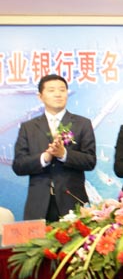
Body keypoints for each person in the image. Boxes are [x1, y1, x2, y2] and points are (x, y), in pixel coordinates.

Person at [12, 74, 96, 222]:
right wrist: (44, 158)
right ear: (40, 96)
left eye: (62, 90)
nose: (58, 94)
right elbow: (18, 166)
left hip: (72, 201)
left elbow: (90, 161)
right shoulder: (28, 127)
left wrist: (64, 154)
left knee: (75, 238)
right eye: (51, 90)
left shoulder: (82, 123)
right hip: (38, 204)